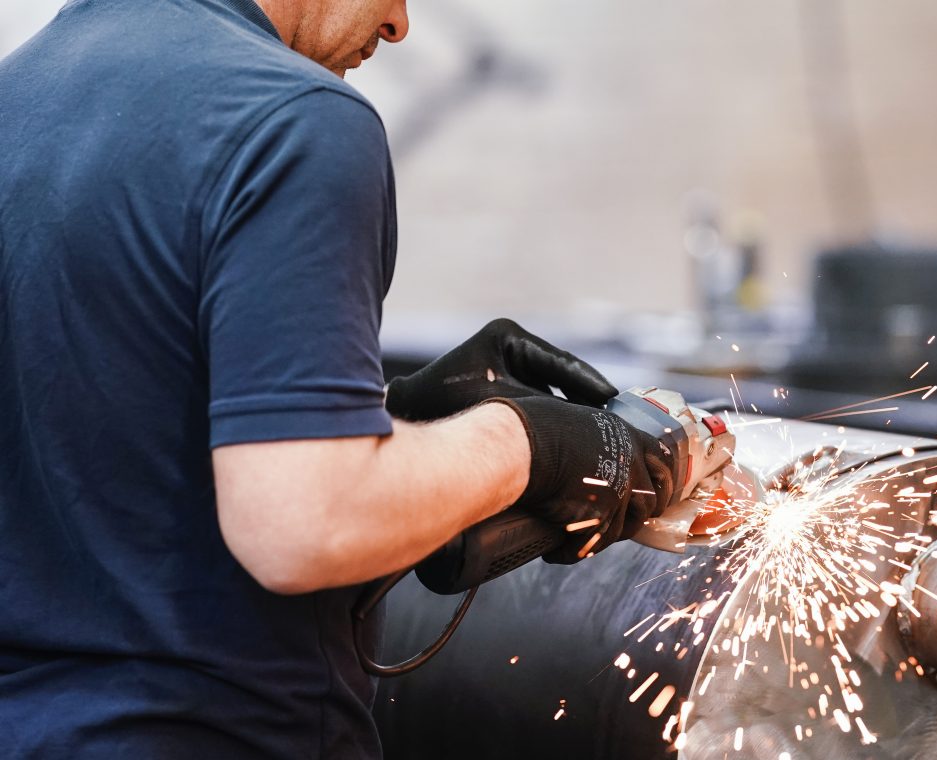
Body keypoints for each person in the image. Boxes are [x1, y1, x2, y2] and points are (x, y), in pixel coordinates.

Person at [0, 0, 672, 757]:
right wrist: (530, 443)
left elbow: (100, 433)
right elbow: (306, 523)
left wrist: (388, 420)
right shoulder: (297, 118)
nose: (399, 25)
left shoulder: (20, 92)